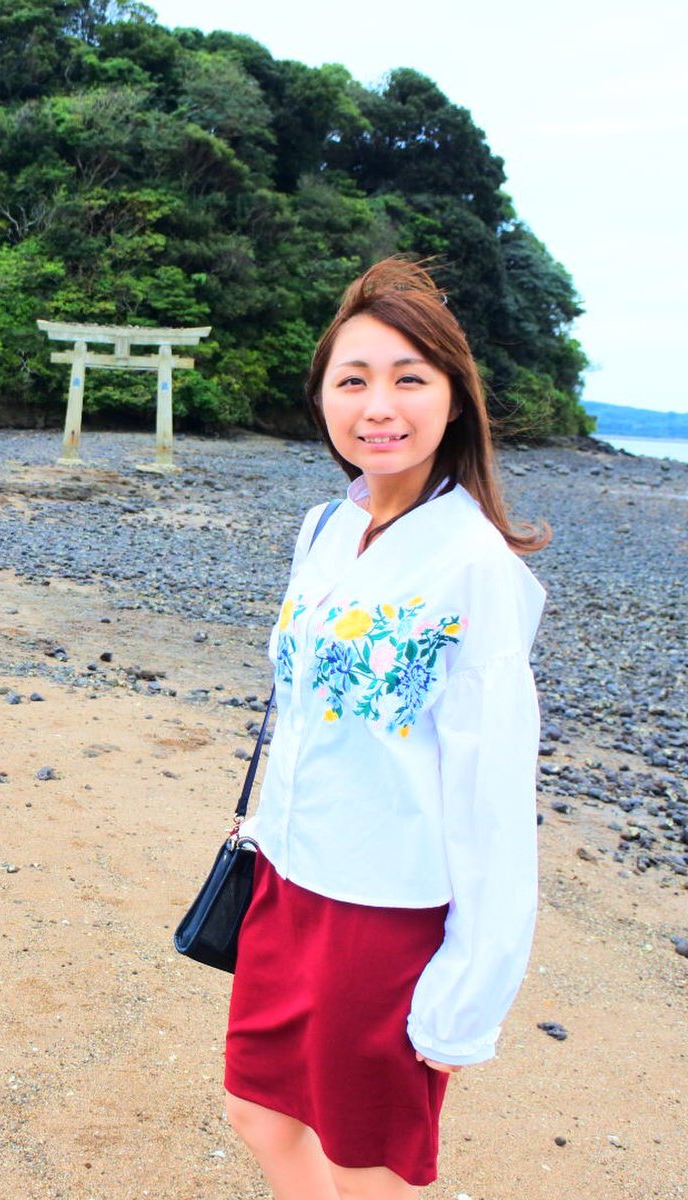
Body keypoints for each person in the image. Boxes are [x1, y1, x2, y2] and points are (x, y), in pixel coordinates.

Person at [222, 257, 549, 1200]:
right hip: (285, 881)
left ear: (454, 399)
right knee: (259, 1111)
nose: (381, 405)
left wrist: (464, 997)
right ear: (323, 396)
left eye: (410, 378)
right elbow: (303, 706)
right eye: (353, 379)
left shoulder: (474, 566)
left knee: (367, 1168)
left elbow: (494, 797)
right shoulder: (325, 527)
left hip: (387, 916)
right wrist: (263, 826)